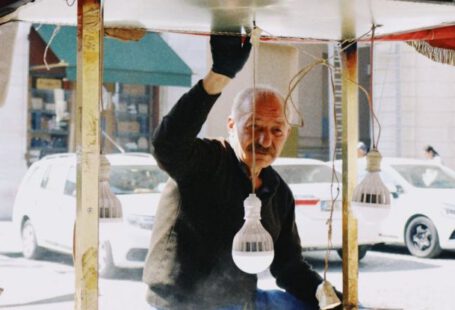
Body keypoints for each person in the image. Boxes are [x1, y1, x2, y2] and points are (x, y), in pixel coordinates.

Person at [142, 28, 342, 310]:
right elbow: (167, 143)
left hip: (244, 301)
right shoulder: (205, 161)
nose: (265, 140)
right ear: (232, 126)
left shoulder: (278, 192)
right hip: (183, 303)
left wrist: (325, 293)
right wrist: (218, 76)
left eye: (276, 130)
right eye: (254, 127)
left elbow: (288, 266)